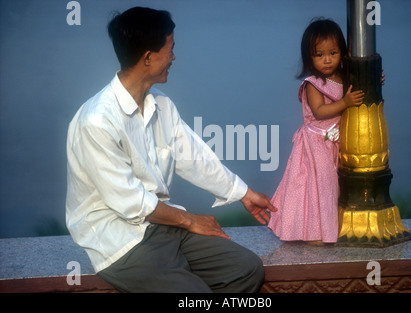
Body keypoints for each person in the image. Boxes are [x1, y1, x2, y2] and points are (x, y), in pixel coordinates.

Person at [65, 7, 276, 293]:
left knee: (246, 269)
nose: (174, 57)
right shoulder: (97, 121)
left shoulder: (161, 104)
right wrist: (189, 220)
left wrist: (245, 194)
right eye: (170, 49)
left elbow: (194, 156)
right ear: (148, 58)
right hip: (119, 241)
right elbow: (130, 203)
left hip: (164, 226)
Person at [267, 19, 364, 243]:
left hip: (337, 141)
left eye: (333, 52)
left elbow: (361, 88)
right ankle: (314, 233)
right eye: (319, 55)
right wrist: (346, 103)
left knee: (335, 188)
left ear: (342, 51)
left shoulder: (344, 75)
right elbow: (319, 112)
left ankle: (327, 228)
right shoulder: (313, 83)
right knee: (319, 188)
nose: (327, 60)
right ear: (309, 57)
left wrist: (375, 79)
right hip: (316, 144)